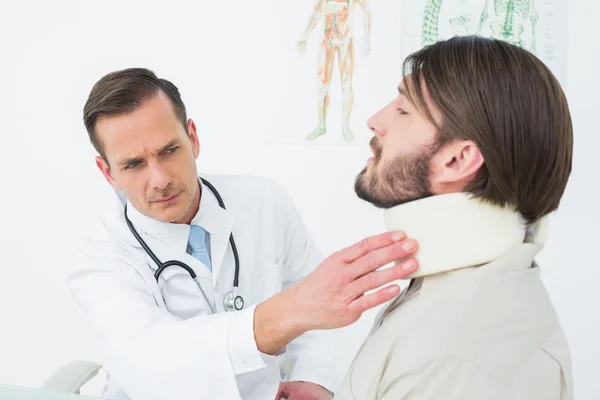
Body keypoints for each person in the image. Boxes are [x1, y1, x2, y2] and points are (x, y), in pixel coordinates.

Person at [65, 68, 420, 400]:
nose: (159, 179)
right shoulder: (100, 260)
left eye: (169, 150)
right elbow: (154, 360)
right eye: (134, 164)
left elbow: (318, 311)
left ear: (193, 138)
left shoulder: (264, 202)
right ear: (108, 173)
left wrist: (314, 377)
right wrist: (282, 315)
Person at [334, 35, 574, 399]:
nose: (375, 121)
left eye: (403, 110)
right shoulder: (486, 292)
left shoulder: (449, 355)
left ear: (457, 160)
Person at [297, 0, 371, 142]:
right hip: (327, 41)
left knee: (347, 84)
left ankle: (345, 126)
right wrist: (304, 37)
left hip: (345, 42)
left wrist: (367, 38)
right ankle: (321, 125)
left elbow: (367, 10)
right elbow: (316, 13)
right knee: (322, 85)